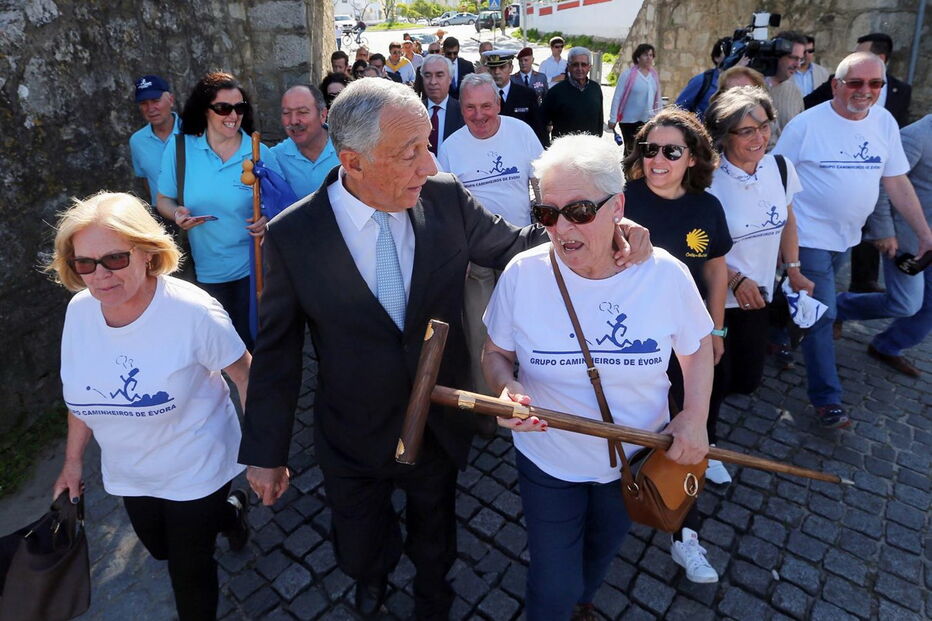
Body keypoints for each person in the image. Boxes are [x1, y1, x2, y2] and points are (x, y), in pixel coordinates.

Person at [237, 78, 651, 620]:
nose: (429, 165)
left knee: (436, 528)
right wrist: (266, 453)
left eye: (428, 145)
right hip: (351, 430)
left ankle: (434, 594)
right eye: (410, 154)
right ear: (353, 161)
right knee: (361, 543)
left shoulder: (445, 196)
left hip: (439, 419)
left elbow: (515, 245)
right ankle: (374, 576)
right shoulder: (295, 235)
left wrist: (604, 226)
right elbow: (278, 354)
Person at [482, 134, 713, 619]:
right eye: (547, 214)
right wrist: (507, 387)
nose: (562, 227)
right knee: (552, 583)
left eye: (580, 210)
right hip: (547, 460)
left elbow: (695, 352)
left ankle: (584, 599)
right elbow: (496, 352)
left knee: (600, 554)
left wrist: (694, 417)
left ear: (618, 207)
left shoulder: (664, 275)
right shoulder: (523, 274)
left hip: (633, 455)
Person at [48, 192, 251, 621]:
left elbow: (246, 376)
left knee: (189, 570)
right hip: (130, 472)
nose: (100, 276)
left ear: (146, 252)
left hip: (196, 465)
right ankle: (230, 516)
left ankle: (219, 512)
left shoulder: (193, 313)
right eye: (85, 263)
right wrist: (71, 463)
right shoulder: (80, 312)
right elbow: (82, 393)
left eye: (115, 259)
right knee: (160, 549)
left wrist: (264, 455)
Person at [773, 52, 931, 428]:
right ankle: (827, 400)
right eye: (856, 83)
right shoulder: (805, 126)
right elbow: (776, 180)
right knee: (822, 316)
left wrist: (924, 233)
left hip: (847, 238)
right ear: (836, 85)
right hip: (807, 236)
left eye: (875, 84)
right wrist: (784, 245)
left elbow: (895, 180)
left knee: (808, 300)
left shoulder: (885, 121)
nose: (866, 91)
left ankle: (775, 326)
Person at [622, 107, 730, 583]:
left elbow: (716, 272)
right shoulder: (620, 201)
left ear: (693, 158)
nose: (658, 159)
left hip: (688, 344)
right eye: (650, 149)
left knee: (688, 431)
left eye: (671, 151)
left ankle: (685, 534)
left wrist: (718, 330)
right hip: (629, 343)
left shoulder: (706, 207)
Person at [703, 85, 814, 468]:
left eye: (764, 126)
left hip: (760, 297)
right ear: (724, 134)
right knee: (713, 383)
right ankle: (706, 447)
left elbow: (789, 222)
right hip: (715, 299)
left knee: (747, 379)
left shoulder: (780, 167)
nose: (759, 138)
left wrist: (795, 270)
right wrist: (734, 278)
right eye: (746, 131)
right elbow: (694, 247)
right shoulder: (706, 181)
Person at [438, 73, 544, 400]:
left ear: (499, 103)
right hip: (476, 256)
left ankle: (538, 402)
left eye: (486, 105)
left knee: (534, 330)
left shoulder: (521, 132)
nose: (479, 115)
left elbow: (542, 183)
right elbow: (445, 206)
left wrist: (546, 230)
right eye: (470, 107)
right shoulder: (451, 147)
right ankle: (488, 411)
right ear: (462, 108)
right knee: (480, 337)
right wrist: (457, 254)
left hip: (522, 248)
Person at [156, 71, 280, 350]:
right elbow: (163, 199)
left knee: (254, 347)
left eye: (239, 108)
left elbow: (281, 203)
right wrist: (177, 213)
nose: (233, 116)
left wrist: (267, 219)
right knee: (215, 350)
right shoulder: (180, 148)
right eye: (223, 108)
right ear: (205, 110)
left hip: (254, 271)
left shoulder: (258, 151)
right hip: (202, 273)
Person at [805, 32, 914, 295]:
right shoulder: (838, 84)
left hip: (872, 178)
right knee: (819, 295)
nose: (865, 91)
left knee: (861, 236)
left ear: (881, 59)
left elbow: (897, 174)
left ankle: (860, 285)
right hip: (819, 212)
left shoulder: (900, 94)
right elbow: (811, 107)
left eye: (875, 84)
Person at [836, 115, 932, 378]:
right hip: (909, 242)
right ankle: (836, 308)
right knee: (905, 304)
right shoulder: (917, 135)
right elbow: (882, 183)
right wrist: (885, 231)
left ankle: (888, 346)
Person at [270, 85, 339, 198]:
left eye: (302, 112)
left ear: (322, 115)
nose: (293, 121)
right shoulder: (275, 158)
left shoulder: (347, 147)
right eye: (286, 113)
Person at [129, 74, 180, 208]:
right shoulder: (137, 141)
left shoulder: (195, 133)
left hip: (199, 213)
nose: (150, 109)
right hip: (163, 215)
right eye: (144, 103)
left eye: (156, 100)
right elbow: (146, 178)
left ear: (171, 100)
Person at [483, 49, 548, 146]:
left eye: (502, 67)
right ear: (488, 70)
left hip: (520, 149)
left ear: (511, 68)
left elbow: (538, 129)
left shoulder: (526, 94)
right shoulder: (483, 96)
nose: (497, 72)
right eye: (493, 68)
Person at [609, 43, 662, 156]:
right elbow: (618, 96)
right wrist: (613, 118)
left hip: (647, 119)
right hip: (628, 120)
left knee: (643, 151)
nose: (649, 58)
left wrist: (660, 116)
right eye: (645, 55)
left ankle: (637, 172)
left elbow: (657, 98)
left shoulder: (653, 76)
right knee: (631, 150)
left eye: (651, 55)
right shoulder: (628, 75)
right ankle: (627, 172)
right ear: (638, 57)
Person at [541, 46, 603, 141]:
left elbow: (599, 121)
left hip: (590, 150)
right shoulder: (555, 92)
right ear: (569, 67)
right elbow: (541, 122)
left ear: (589, 67)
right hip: (565, 152)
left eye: (584, 64)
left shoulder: (595, 89)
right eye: (575, 64)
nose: (579, 68)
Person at [765, 31, 807, 141]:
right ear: (777, 56)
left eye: (800, 59)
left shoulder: (795, 92)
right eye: (793, 58)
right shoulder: (752, 86)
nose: (797, 65)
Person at [675, 38, 730, 118]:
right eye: (727, 53)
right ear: (716, 57)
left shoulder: (743, 82)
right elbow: (678, 109)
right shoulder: (702, 81)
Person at [420, 54, 464, 155]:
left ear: (450, 79)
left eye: (439, 75)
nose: (433, 82)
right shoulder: (413, 112)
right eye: (427, 75)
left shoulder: (463, 113)